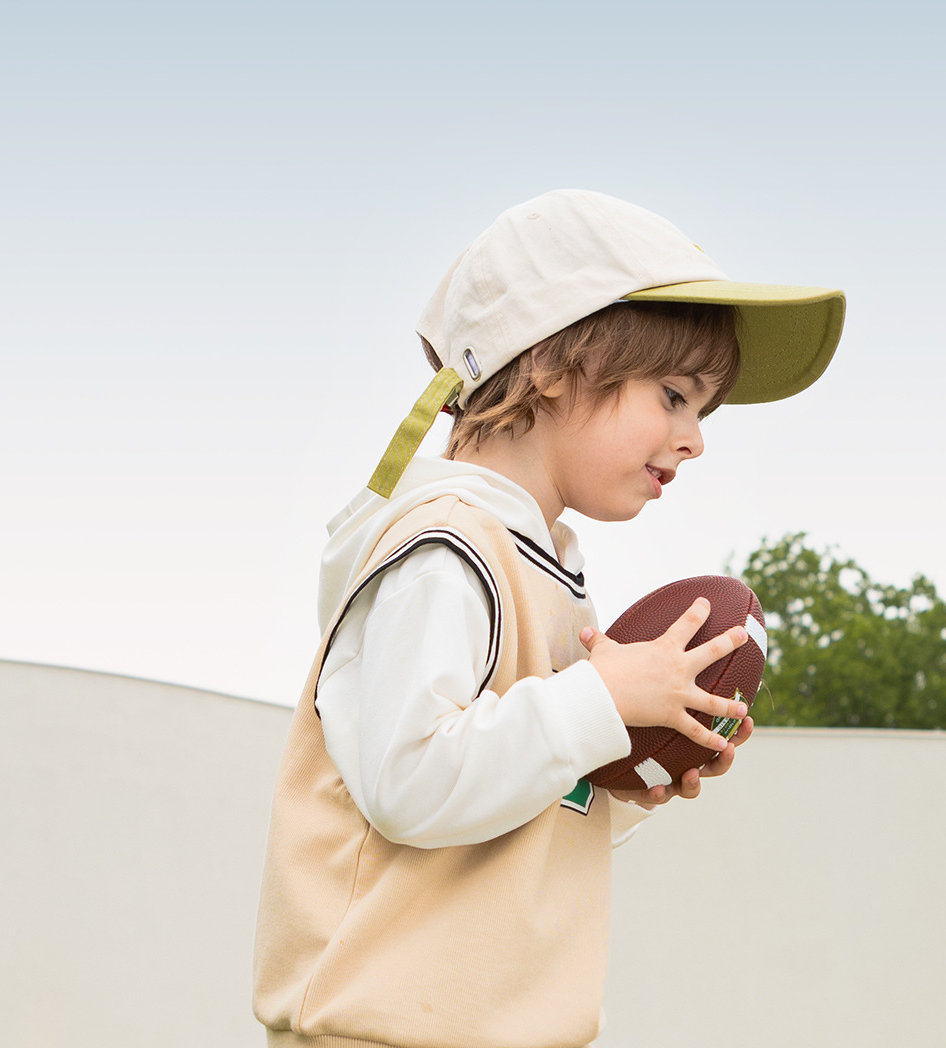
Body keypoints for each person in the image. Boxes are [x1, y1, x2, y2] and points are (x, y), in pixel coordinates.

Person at [252, 189, 845, 1048]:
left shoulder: (555, 580)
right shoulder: (447, 549)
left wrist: (626, 768)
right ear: (555, 366)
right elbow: (411, 781)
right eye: (675, 395)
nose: (695, 440)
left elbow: (509, 815)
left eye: (702, 411)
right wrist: (598, 705)